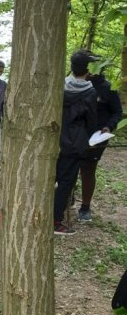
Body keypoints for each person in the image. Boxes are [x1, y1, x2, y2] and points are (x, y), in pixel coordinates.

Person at [54, 50, 97, 235]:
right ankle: (55, 222)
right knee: (65, 182)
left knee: (50, 179)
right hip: (73, 144)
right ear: (88, 70)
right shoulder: (90, 92)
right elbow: (92, 121)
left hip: (53, 138)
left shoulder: (59, 86)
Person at [77, 69, 123, 222]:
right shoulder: (78, 84)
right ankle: (66, 199)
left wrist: (109, 126)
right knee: (69, 167)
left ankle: (85, 207)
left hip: (97, 137)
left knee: (88, 169)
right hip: (76, 135)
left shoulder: (108, 88)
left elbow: (117, 112)